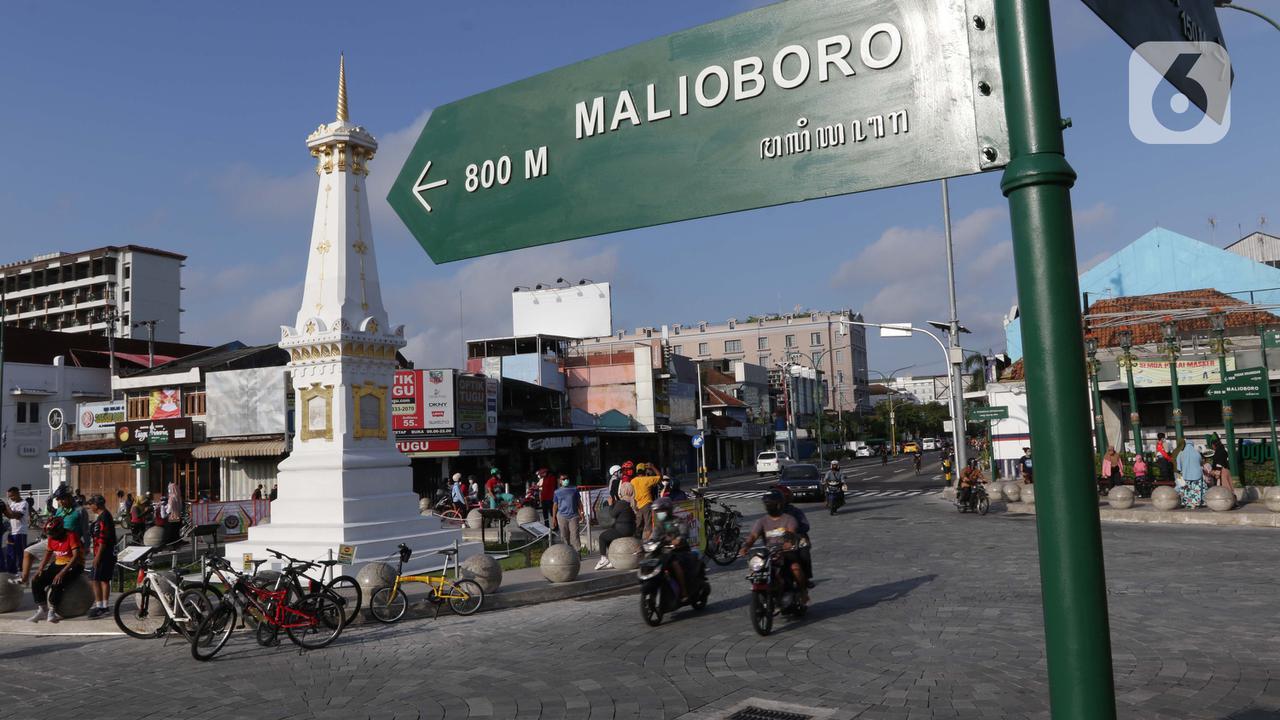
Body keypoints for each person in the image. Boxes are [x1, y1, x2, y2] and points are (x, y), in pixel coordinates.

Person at [738, 489, 807, 608]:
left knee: (795, 568)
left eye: (771, 503)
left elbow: (791, 531)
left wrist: (788, 542)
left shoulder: (788, 519)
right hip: (768, 554)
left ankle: (803, 592)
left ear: (779, 504)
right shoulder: (762, 521)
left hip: (785, 552)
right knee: (755, 571)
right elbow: (753, 535)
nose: (769, 506)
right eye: (767, 504)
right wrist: (746, 546)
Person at [29, 518, 84, 623]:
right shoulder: (51, 537)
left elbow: (76, 556)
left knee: (57, 581)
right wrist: (40, 569)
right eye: (49, 533)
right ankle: (42, 610)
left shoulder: (71, 536)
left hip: (74, 565)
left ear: (59, 530)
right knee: (36, 580)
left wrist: (62, 573)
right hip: (58, 563)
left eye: (53, 533)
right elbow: (48, 553)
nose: (51, 536)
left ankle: (52, 611)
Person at [647, 496, 694, 601]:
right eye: (657, 511)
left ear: (668, 510)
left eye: (661, 511)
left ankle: (684, 591)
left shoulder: (678, 521)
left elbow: (684, 533)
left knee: (674, 564)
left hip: (680, 551)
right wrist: (644, 544)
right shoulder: (659, 525)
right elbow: (653, 537)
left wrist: (679, 539)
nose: (659, 513)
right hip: (665, 552)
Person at [85, 495, 117, 619]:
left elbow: (103, 539)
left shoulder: (104, 517)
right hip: (105, 553)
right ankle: (104, 606)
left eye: (91, 504)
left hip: (104, 554)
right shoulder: (104, 516)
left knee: (95, 579)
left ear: (96, 505)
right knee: (103, 579)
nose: (90, 507)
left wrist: (97, 556)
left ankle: (101, 607)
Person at [594, 492, 636, 570]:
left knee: (602, 537)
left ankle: (603, 559)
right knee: (609, 536)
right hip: (631, 529)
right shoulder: (631, 502)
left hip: (622, 530)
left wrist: (610, 504)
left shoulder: (622, 503)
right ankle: (613, 560)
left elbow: (612, 514)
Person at [2, 487, 31, 574]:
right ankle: (12, 570)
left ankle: (22, 569)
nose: (11, 498)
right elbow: (9, 515)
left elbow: (17, 516)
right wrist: (4, 510)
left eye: (12, 496)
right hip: (12, 531)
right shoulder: (12, 504)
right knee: (10, 552)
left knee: (20, 552)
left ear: (17, 493)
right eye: (9, 497)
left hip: (20, 532)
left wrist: (6, 507)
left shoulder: (24, 503)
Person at [631, 465, 662, 541]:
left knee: (639, 526)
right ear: (645, 471)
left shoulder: (633, 481)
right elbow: (660, 477)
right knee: (648, 526)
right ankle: (648, 544)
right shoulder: (647, 480)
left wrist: (634, 505)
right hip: (647, 505)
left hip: (637, 506)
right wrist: (652, 467)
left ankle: (636, 543)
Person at [552, 477, 583, 551]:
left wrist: (581, 513)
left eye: (566, 479)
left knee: (575, 535)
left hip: (574, 516)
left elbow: (579, 502)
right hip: (562, 516)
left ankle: (578, 552)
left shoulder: (574, 490)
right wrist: (554, 518)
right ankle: (567, 552)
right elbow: (555, 506)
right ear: (560, 481)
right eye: (563, 479)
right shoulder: (557, 492)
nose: (565, 480)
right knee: (564, 536)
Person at [1176, 443, 1207, 508]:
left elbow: (1178, 466)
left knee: (1186, 490)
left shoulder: (1181, 453)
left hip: (1185, 475)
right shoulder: (1197, 453)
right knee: (1196, 490)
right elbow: (1201, 462)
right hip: (1197, 475)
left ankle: (1187, 503)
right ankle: (1196, 503)